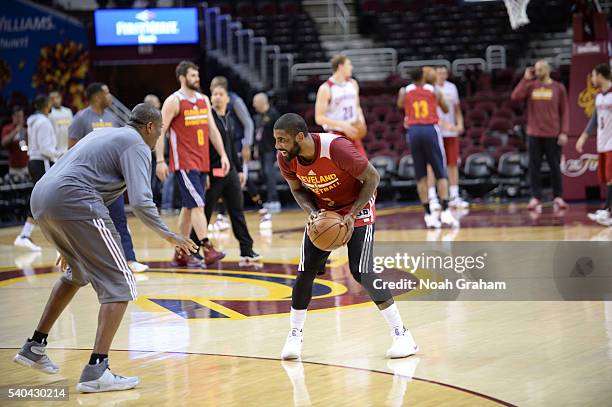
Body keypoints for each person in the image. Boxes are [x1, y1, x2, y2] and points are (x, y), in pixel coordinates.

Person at [13, 103, 197, 393]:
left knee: (78, 272)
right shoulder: (136, 144)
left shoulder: (105, 135)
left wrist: (71, 237)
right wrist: (169, 235)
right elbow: (140, 201)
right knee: (121, 283)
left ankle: (34, 346)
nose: (158, 137)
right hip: (73, 200)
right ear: (150, 127)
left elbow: (79, 174)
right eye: (160, 130)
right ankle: (96, 370)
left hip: (42, 198)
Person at [274, 113, 418, 360]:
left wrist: (352, 214)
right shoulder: (286, 157)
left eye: (282, 140)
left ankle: (402, 334)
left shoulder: (336, 148)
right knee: (305, 272)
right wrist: (314, 213)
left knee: (361, 270)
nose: (278, 146)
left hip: (357, 206)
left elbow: (373, 177)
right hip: (325, 212)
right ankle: (295, 335)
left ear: (300, 136)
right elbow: (297, 190)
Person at [155, 61, 230, 266]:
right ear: (182, 77)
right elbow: (160, 131)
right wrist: (160, 160)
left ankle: (181, 251)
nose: (197, 78)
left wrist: (223, 154)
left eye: (197, 75)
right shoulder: (174, 101)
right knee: (198, 204)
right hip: (184, 162)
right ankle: (207, 247)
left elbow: (212, 130)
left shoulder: (203, 100)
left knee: (189, 208)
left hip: (202, 161)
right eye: (193, 75)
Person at [69, 83, 149, 273]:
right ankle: (83, 263)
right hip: (88, 183)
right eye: (106, 92)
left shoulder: (112, 117)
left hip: (111, 181)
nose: (110, 96)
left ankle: (130, 259)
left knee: (119, 220)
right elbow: (71, 150)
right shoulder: (81, 119)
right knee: (88, 223)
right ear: (97, 96)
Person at [196, 85, 260, 261]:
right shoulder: (208, 120)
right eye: (214, 94)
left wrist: (239, 169)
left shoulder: (230, 119)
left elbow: (232, 148)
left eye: (220, 94)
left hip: (230, 172)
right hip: (212, 173)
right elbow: (203, 149)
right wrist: (205, 173)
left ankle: (247, 249)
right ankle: (194, 249)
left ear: (227, 99)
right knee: (206, 211)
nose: (217, 97)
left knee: (237, 211)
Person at [397, 67, 456, 229]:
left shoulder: (406, 91)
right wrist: (438, 96)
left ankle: (428, 214)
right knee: (440, 172)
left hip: (413, 132)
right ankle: (445, 211)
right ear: (423, 77)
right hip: (430, 129)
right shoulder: (433, 90)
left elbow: (400, 105)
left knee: (421, 175)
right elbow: (445, 108)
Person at [511, 60, 570, 212]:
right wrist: (525, 78)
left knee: (555, 167)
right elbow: (515, 97)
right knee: (534, 167)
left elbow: (565, 112)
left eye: (541, 69)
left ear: (548, 69)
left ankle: (558, 196)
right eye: (536, 69)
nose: (538, 72)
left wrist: (564, 132)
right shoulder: (530, 86)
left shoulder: (558, 87)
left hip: (553, 133)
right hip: (534, 133)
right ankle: (536, 197)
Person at [576, 63, 612, 226]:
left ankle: (607, 210)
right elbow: (594, 120)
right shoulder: (598, 96)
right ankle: (607, 210)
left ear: (600, 76)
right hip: (602, 141)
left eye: (593, 75)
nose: (592, 79)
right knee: (605, 178)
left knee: (611, 177)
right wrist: (583, 136)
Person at [2, 105, 41, 251]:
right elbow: (4, 142)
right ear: (13, 117)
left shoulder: (28, 128)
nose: (20, 119)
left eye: (21, 116)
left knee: (31, 196)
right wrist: (15, 131)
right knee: (20, 196)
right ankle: (22, 229)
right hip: (14, 169)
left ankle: (26, 230)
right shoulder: (8, 128)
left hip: (27, 167)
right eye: (17, 116)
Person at [314, 55, 367, 157]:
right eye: (349, 64)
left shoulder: (353, 83)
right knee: (342, 171)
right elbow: (319, 118)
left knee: (365, 169)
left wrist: (361, 120)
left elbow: (357, 106)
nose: (351, 67)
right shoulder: (325, 88)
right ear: (341, 66)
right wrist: (343, 125)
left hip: (353, 130)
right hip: (335, 134)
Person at [432, 65, 467, 209]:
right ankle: (434, 197)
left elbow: (457, 109)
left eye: (444, 73)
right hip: (437, 131)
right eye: (439, 73)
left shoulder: (452, 87)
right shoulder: (431, 88)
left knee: (453, 163)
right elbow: (431, 113)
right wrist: (445, 125)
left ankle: (454, 195)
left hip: (451, 133)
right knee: (435, 165)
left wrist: (460, 124)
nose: (441, 75)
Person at [210, 76, 254, 161]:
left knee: (238, 172)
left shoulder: (235, 101)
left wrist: (247, 145)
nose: (210, 87)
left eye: (212, 85)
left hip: (236, 145)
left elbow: (248, 123)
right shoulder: (213, 102)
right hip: (222, 145)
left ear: (220, 87)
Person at [253, 92, 282, 213]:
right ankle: (269, 200)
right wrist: (255, 149)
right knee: (263, 174)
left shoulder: (274, 114)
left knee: (269, 173)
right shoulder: (258, 117)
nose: (254, 105)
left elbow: (281, 133)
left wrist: (280, 149)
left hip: (271, 149)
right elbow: (257, 135)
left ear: (261, 102)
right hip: (261, 150)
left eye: (255, 102)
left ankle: (274, 200)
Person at [48, 90, 73, 155]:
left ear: (60, 98)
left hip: (68, 146)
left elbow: (72, 128)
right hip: (56, 148)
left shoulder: (68, 111)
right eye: (53, 99)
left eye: (57, 98)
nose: (55, 100)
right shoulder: (49, 114)